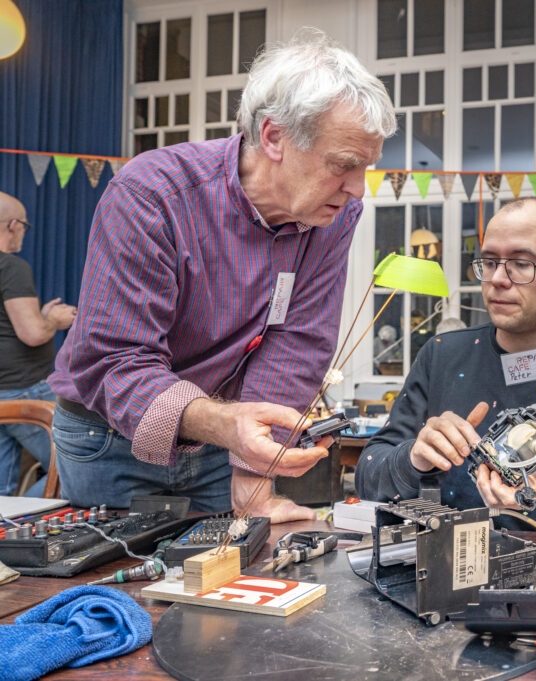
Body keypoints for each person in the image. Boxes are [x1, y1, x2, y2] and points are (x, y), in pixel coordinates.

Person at [48, 32, 396, 520]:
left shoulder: (331, 215)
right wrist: (225, 423)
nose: (358, 190)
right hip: (110, 436)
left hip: (224, 438)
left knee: (220, 580)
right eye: (344, 165)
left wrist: (255, 483)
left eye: (367, 168)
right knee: (120, 587)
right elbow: (114, 360)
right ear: (274, 137)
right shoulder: (155, 193)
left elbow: (295, 346)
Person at [355, 197, 536, 536]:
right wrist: (414, 458)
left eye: (521, 264)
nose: (498, 278)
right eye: (490, 261)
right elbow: (368, 475)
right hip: (446, 568)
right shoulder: (442, 354)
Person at [0, 193, 77, 496]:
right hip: (25, 389)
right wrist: (55, 321)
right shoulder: (11, 267)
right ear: (13, 225)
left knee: (3, 492)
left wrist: (41, 315)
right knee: (72, 473)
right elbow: (31, 334)